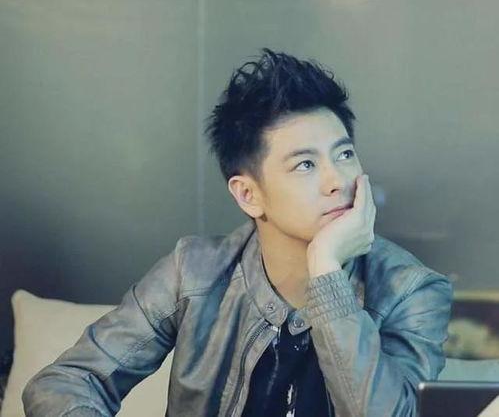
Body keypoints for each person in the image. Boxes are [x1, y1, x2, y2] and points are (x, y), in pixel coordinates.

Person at [22, 49, 453, 417]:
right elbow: (64, 383)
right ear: (249, 195)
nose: (337, 180)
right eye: (305, 164)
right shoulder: (194, 272)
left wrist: (327, 273)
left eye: (344, 154)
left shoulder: (409, 290)